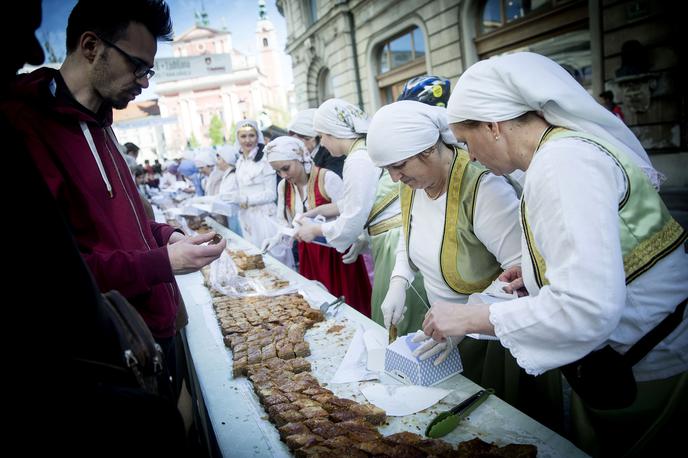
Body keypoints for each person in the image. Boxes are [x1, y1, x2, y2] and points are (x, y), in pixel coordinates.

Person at [435, 51, 687, 456]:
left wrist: (472, 316)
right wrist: (535, 274)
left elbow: (585, 306)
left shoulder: (562, 164)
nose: (473, 157)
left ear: (494, 125)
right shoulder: (563, 152)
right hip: (643, 353)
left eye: (467, 142)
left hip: (651, 365)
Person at [1, 0, 226, 399]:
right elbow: (60, 276)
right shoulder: (30, 128)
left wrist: (166, 237)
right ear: (91, 47)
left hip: (155, 331)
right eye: (138, 65)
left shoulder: (102, 122)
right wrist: (164, 262)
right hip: (115, 354)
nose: (144, 81)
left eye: (149, 70)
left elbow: (124, 225)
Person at [367, 100, 563, 430]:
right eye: (387, 169)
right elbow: (409, 235)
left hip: (493, 340)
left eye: (399, 165)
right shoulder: (414, 186)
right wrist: (399, 281)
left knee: (491, 428)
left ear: (428, 150)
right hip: (444, 331)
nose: (394, 177)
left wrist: (468, 319)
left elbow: (521, 272)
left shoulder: (483, 188)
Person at [295, 98, 423, 320]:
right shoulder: (363, 151)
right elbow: (363, 202)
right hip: (392, 237)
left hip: (394, 243)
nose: (322, 143)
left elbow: (353, 218)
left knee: (398, 318)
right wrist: (320, 212)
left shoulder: (358, 159)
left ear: (335, 132)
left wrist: (315, 230)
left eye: (322, 136)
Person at [264, 136, 372, 314]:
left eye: (286, 168)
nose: (283, 175)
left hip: (336, 252)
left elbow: (350, 213)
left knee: (348, 304)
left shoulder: (327, 178)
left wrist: (355, 238)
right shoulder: (284, 186)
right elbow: (284, 220)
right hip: (309, 253)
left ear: (300, 158)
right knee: (317, 304)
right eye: (278, 172)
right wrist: (275, 238)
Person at [231, 119, 291, 264]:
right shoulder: (239, 162)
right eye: (243, 136)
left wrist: (246, 200)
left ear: (257, 136)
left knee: (273, 259)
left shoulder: (265, 159)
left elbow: (271, 194)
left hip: (265, 216)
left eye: (251, 135)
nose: (248, 140)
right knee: (254, 258)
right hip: (246, 217)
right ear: (238, 138)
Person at [288, 108, 345, 177]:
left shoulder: (332, 153)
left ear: (311, 138)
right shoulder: (304, 156)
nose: (294, 147)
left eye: (297, 143)